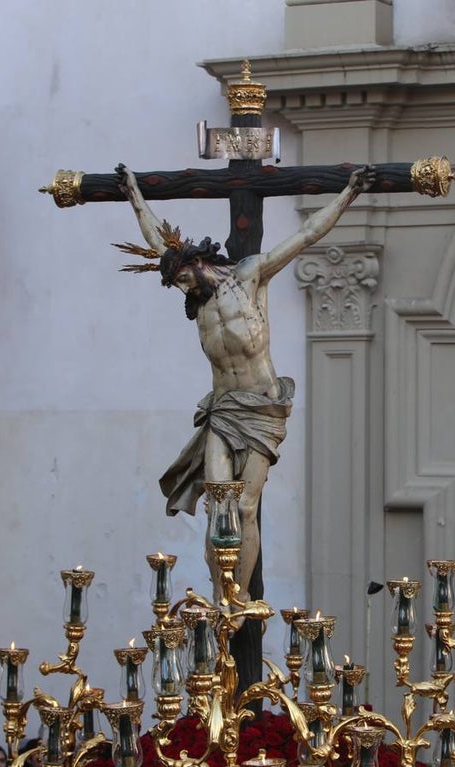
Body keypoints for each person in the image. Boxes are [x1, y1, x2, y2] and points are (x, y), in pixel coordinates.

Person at [114, 162, 376, 603]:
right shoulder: (196, 300)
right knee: (220, 502)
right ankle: (221, 600)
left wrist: (348, 194)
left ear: (199, 263)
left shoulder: (249, 276)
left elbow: (305, 236)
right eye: (174, 282)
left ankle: (240, 599)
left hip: (261, 407)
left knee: (246, 507)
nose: (181, 289)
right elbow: (158, 238)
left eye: (182, 278)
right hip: (222, 409)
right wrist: (133, 195)